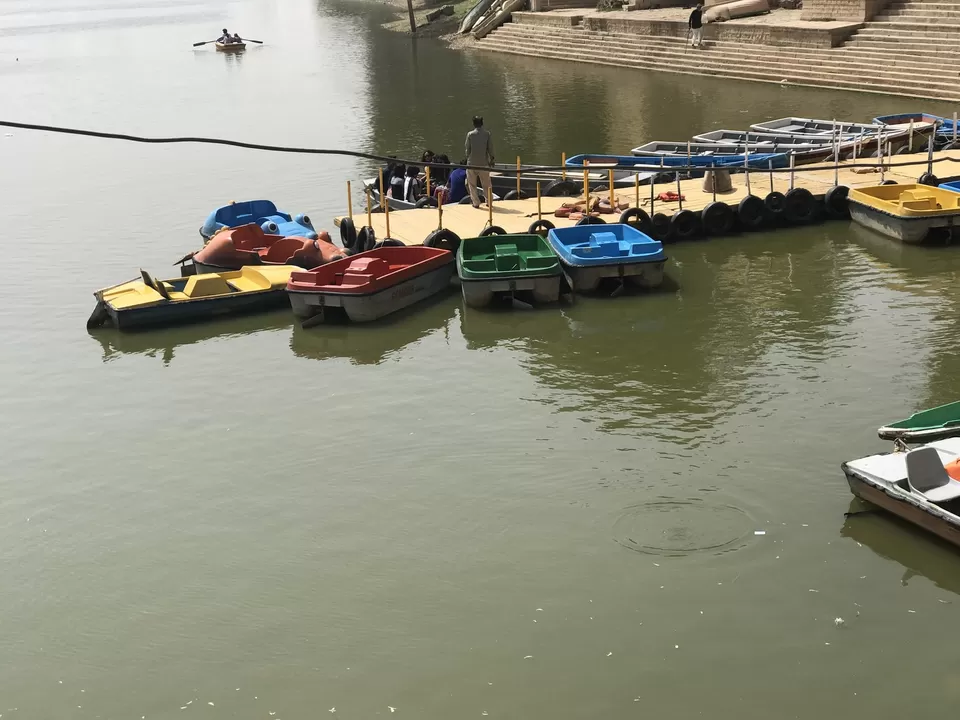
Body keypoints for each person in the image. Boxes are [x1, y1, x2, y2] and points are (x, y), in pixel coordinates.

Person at [464, 116, 495, 209]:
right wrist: (492, 159)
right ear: (482, 123)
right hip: (484, 163)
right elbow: (490, 149)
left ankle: (476, 203)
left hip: (472, 163)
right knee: (486, 184)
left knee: (472, 184)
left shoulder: (470, 134)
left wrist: (468, 157)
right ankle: (489, 201)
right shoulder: (487, 134)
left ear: (473, 124)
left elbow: (467, 149)